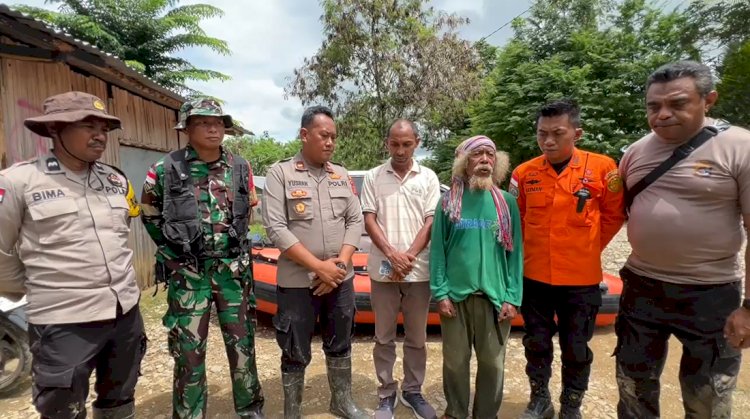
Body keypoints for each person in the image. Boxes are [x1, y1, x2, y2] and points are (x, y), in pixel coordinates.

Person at [616, 60, 750, 418]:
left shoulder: (739, 146)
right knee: (633, 387)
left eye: (677, 104)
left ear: (709, 100)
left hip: (710, 293)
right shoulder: (635, 153)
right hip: (642, 288)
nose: (662, 114)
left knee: (707, 394)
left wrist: (749, 306)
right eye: (653, 106)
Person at [0, 91, 145, 419]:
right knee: (63, 408)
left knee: (120, 399)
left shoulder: (114, 180)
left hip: (125, 314)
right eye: (86, 125)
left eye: (104, 128)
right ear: (54, 128)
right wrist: (38, 286)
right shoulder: (18, 182)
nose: (99, 135)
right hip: (64, 321)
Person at [140, 98, 264, 418]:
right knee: (189, 352)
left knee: (242, 346)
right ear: (186, 128)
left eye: (219, 123)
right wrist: (176, 251)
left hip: (232, 274)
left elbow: (248, 210)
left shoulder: (241, 166)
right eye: (203, 123)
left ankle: (250, 409)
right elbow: (151, 215)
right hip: (189, 275)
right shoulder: (164, 169)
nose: (213, 128)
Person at [509, 99, 625, 419]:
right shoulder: (524, 173)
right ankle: (540, 399)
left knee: (576, 348)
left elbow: (615, 215)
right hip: (534, 277)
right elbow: (516, 220)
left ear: (577, 133)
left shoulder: (603, 168)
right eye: (541, 133)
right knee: (536, 343)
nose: (548, 141)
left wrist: (587, 247)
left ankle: (571, 405)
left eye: (557, 133)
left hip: (581, 279)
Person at [262, 105, 366, 419]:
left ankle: (341, 401)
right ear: (305, 134)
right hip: (297, 281)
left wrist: (339, 266)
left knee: (340, 341)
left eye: (334, 136)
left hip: (339, 279)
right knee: (294, 348)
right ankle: (292, 411)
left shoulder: (341, 174)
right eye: (324, 135)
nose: (330, 142)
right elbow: (276, 228)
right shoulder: (280, 173)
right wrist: (318, 267)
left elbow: (355, 219)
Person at [430, 135, 523, 419]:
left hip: (494, 299)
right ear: (464, 162)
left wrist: (512, 296)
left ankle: (486, 414)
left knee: (493, 364)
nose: (484, 160)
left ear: (497, 163)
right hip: (455, 298)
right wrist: (441, 292)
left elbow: (515, 254)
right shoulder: (448, 203)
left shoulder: (506, 202)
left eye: (490, 155)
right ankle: (456, 411)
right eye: (477, 155)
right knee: (456, 362)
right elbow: (437, 252)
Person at [360, 119, 441, 419]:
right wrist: (393, 255)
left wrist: (406, 258)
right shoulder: (373, 176)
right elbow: (369, 219)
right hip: (383, 271)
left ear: (417, 142)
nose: (401, 149)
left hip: (418, 272)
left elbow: (431, 222)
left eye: (407, 143)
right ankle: (385, 393)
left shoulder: (429, 178)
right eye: (395, 143)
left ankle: (412, 391)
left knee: (416, 337)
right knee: (383, 336)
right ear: (387, 143)